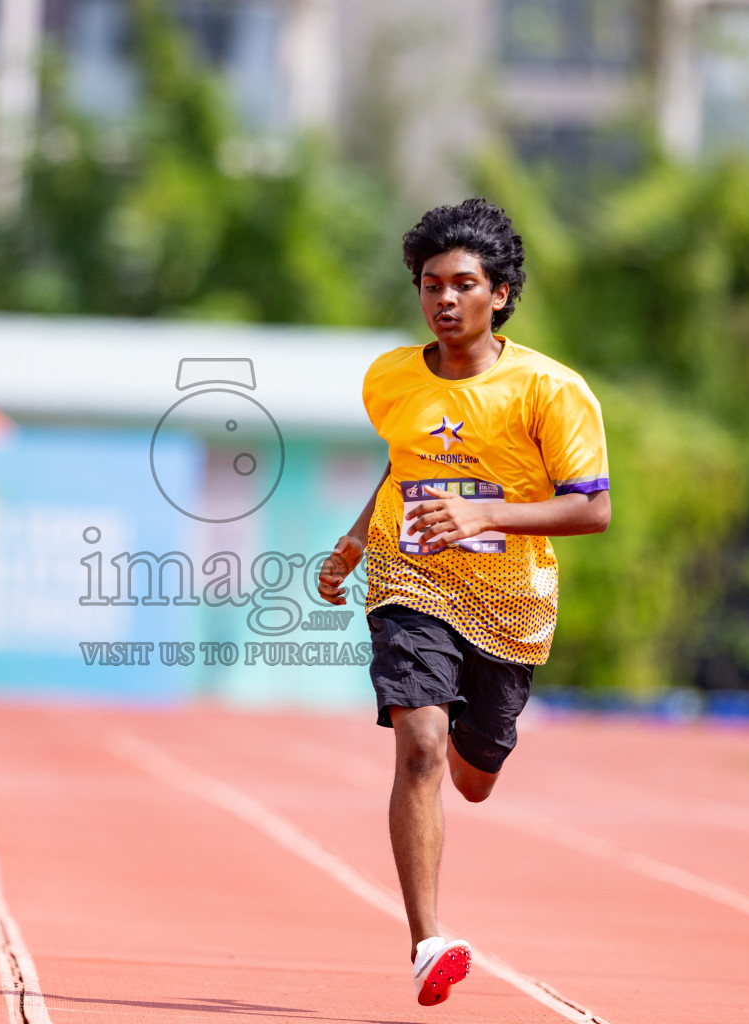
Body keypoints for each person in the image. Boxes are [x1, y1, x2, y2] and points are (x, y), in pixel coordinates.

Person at [317, 198, 610, 1007]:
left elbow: (592, 509)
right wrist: (354, 540)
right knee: (418, 744)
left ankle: (460, 732)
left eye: (464, 285)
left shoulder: (551, 390)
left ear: (501, 294)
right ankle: (427, 942)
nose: (444, 300)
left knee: (472, 778)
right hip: (411, 580)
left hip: (512, 602)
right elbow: (401, 465)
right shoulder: (390, 378)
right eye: (430, 284)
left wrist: (484, 513)